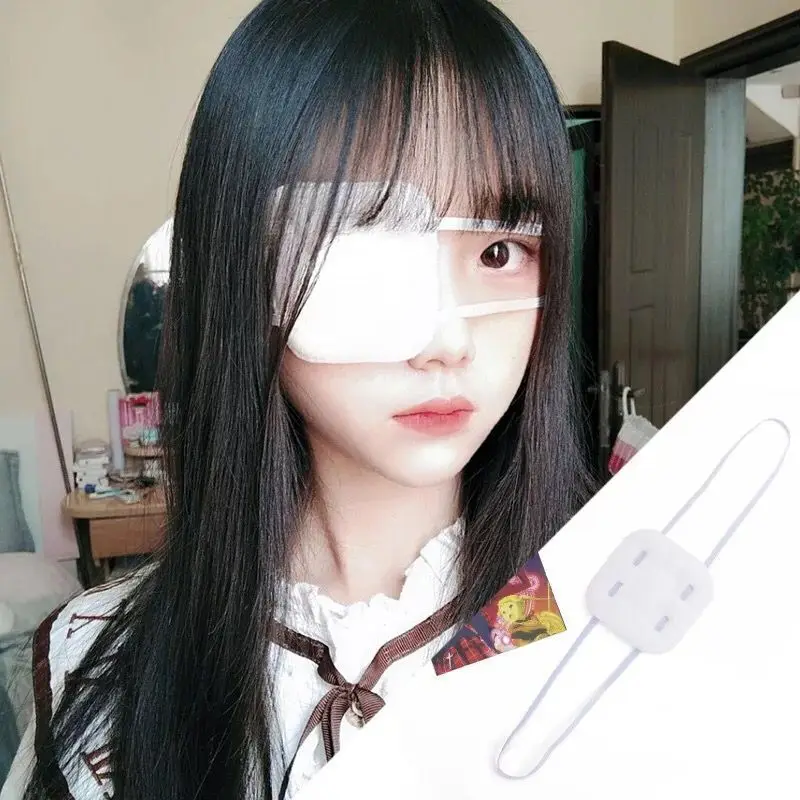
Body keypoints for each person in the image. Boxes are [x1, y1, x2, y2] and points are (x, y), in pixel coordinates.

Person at [2, 1, 591, 798]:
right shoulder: (101, 662)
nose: (448, 339)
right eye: (368, 253)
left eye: (498, 252)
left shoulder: (599, 612)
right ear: (242, 268)